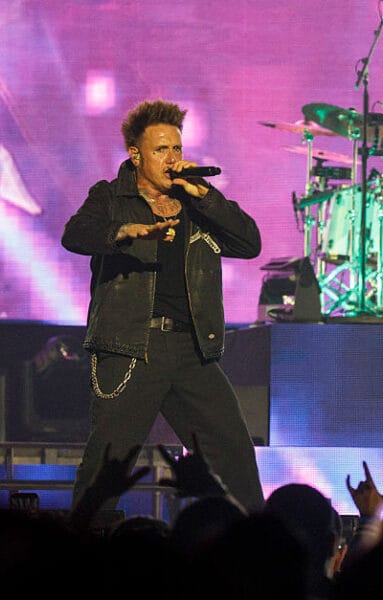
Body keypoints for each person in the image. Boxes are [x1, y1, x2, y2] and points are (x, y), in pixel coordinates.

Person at [61, 98, 266, 516]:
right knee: (109, 464)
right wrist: (122, 232)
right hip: (131, 349)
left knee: (233, 454)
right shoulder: (110, 196)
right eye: (160, 150)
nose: (172, 158)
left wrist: (205, 196)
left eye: (176, 148)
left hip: (191, 351)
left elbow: (249, 242)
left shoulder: (196, 204)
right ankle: (79, 553)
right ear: (136, 155)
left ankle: (255, 546)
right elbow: (75, 234)